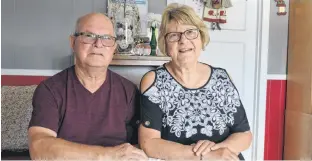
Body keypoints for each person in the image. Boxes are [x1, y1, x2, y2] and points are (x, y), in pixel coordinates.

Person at [139, 3, 252, 161]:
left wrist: (215, 151)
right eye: (174, 35)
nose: (183, 41)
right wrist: (204, 157)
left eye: (190, 32)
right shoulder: (154, 82)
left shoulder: (222, 77)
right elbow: (149, 143)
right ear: (165, 44)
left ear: (201, 37)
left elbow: (244, 135)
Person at [28, 13, 148, 160]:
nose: (98, 44)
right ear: (73, 42)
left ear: (114, 48)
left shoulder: (129, 91)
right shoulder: (50, 90)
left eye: (106, 38)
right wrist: (107, 155)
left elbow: (141, 146)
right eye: (89, 35)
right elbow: (39, 149)